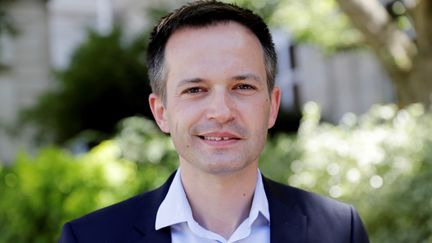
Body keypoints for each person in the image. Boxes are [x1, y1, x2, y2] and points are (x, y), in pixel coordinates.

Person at [59, 1, 369, 242]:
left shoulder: (341, 231)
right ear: (161, 112)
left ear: (271, 106)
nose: (221, 112)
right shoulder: (89, 238)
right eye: (195, 90)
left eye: (242, 87)